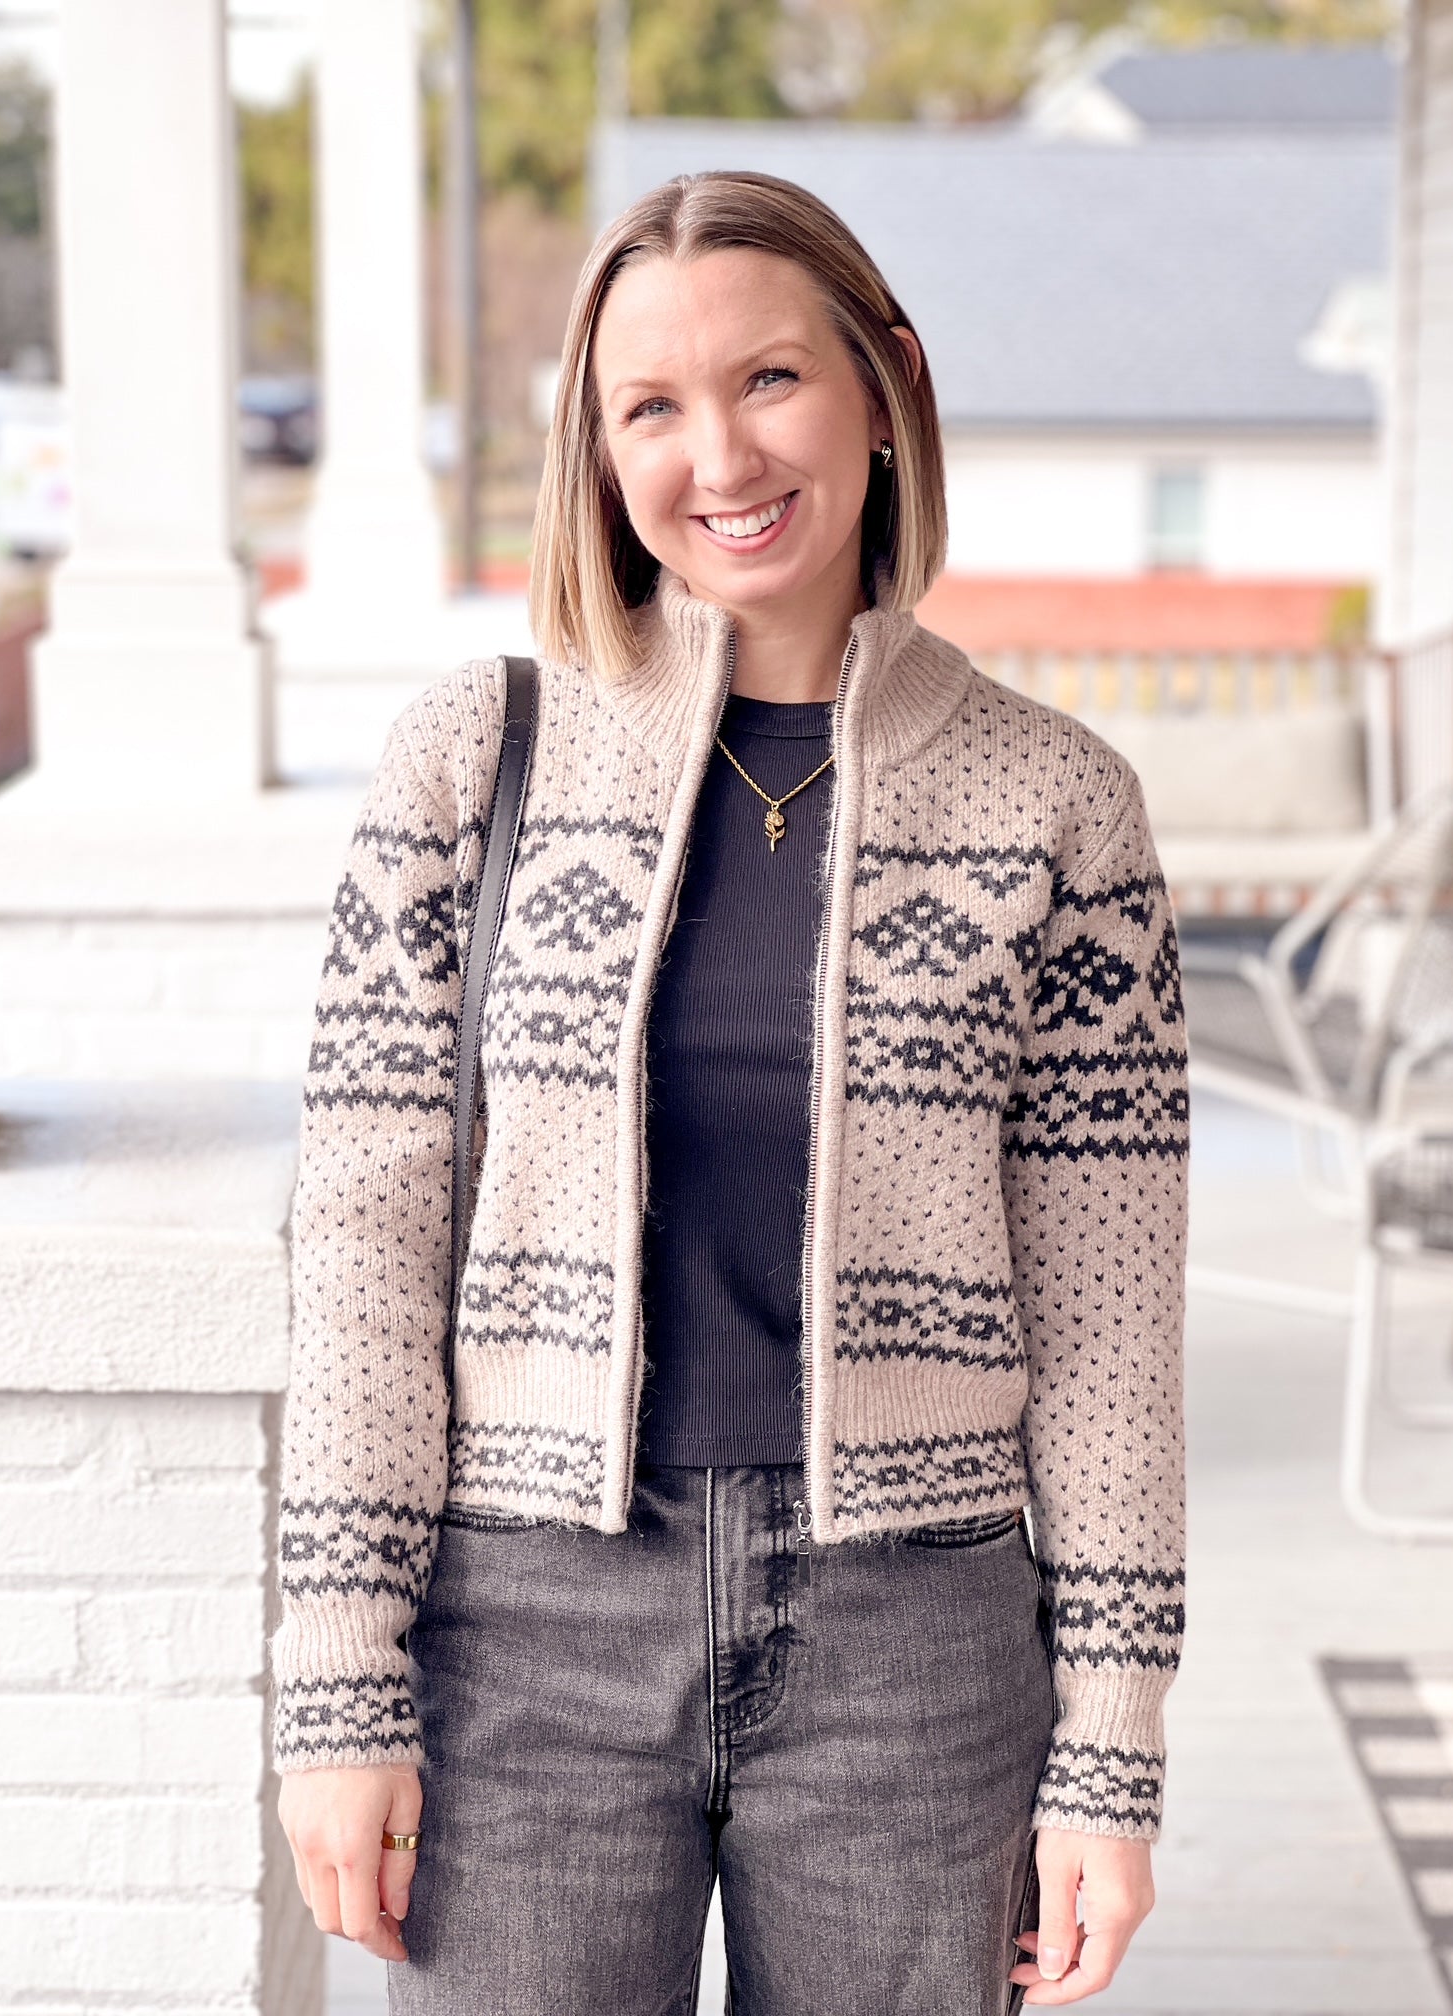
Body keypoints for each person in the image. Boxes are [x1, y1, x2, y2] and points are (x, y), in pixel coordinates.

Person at [271, 168, 1189, 2015]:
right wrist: (338, 1677)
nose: (721, 454)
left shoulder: (1058, 804)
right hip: (524, 1628)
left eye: (770, 380)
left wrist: (1113, 1737)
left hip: (914, 1637)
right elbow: (365, 1242)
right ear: (598, 454)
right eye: (652, 406)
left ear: (883, 385)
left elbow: (1108, 1323)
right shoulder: (472, 756)